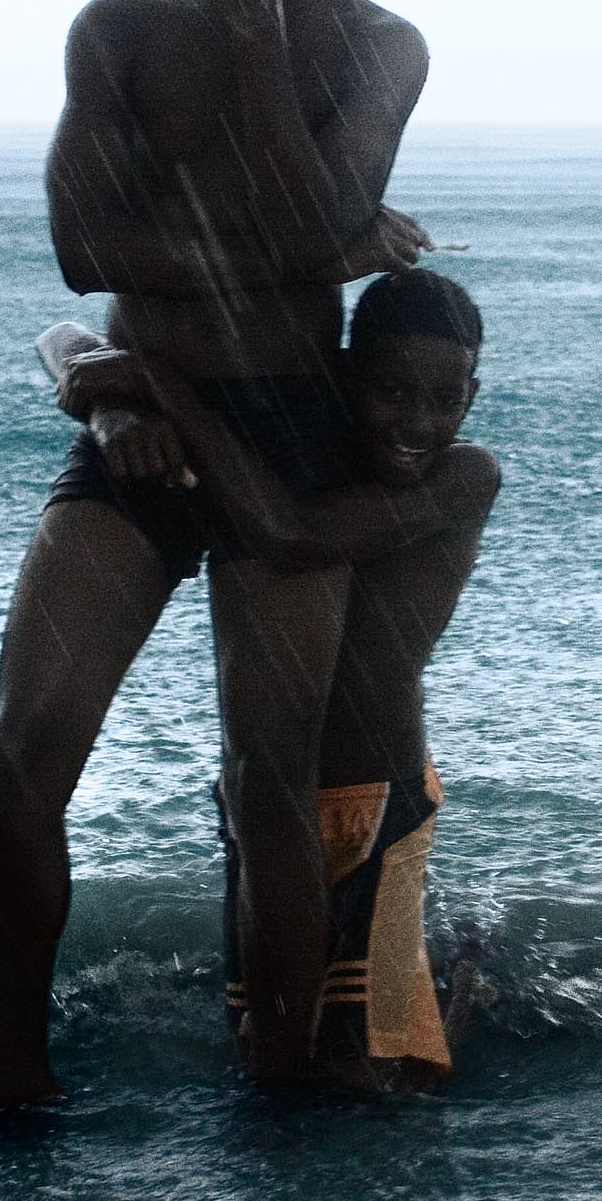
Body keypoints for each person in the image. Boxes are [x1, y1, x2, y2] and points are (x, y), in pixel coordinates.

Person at [0, 0, 432, 1104]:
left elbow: (296, 226)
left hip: (291, 428)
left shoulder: (380, 44)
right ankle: (15, 1083)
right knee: (24, 747)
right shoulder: (117, 26)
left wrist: (258, 31)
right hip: (146, 426)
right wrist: (134, 368)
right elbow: (77, 243)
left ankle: (280, 1090)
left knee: (267, 777)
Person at [46, 268, 499, 1091]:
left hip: (371, 804)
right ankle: (434, 979)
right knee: (261, 1036)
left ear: (474, 394)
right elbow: (61, 339)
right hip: (266, 801)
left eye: (445, 397)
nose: (419, 421)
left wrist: (164, 390)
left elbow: (290, 535)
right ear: (346, 376)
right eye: (393, 390)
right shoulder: (302, 456)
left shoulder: (465, 475)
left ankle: (456, 985)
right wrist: (111, 393)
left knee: (369, 1074)